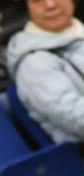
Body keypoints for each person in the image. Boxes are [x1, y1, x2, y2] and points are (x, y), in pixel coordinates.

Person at [7, 0, 84, 144]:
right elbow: (72, 115)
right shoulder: (33, 61)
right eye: (37, 1)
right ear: (26, 8)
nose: (50, 5)